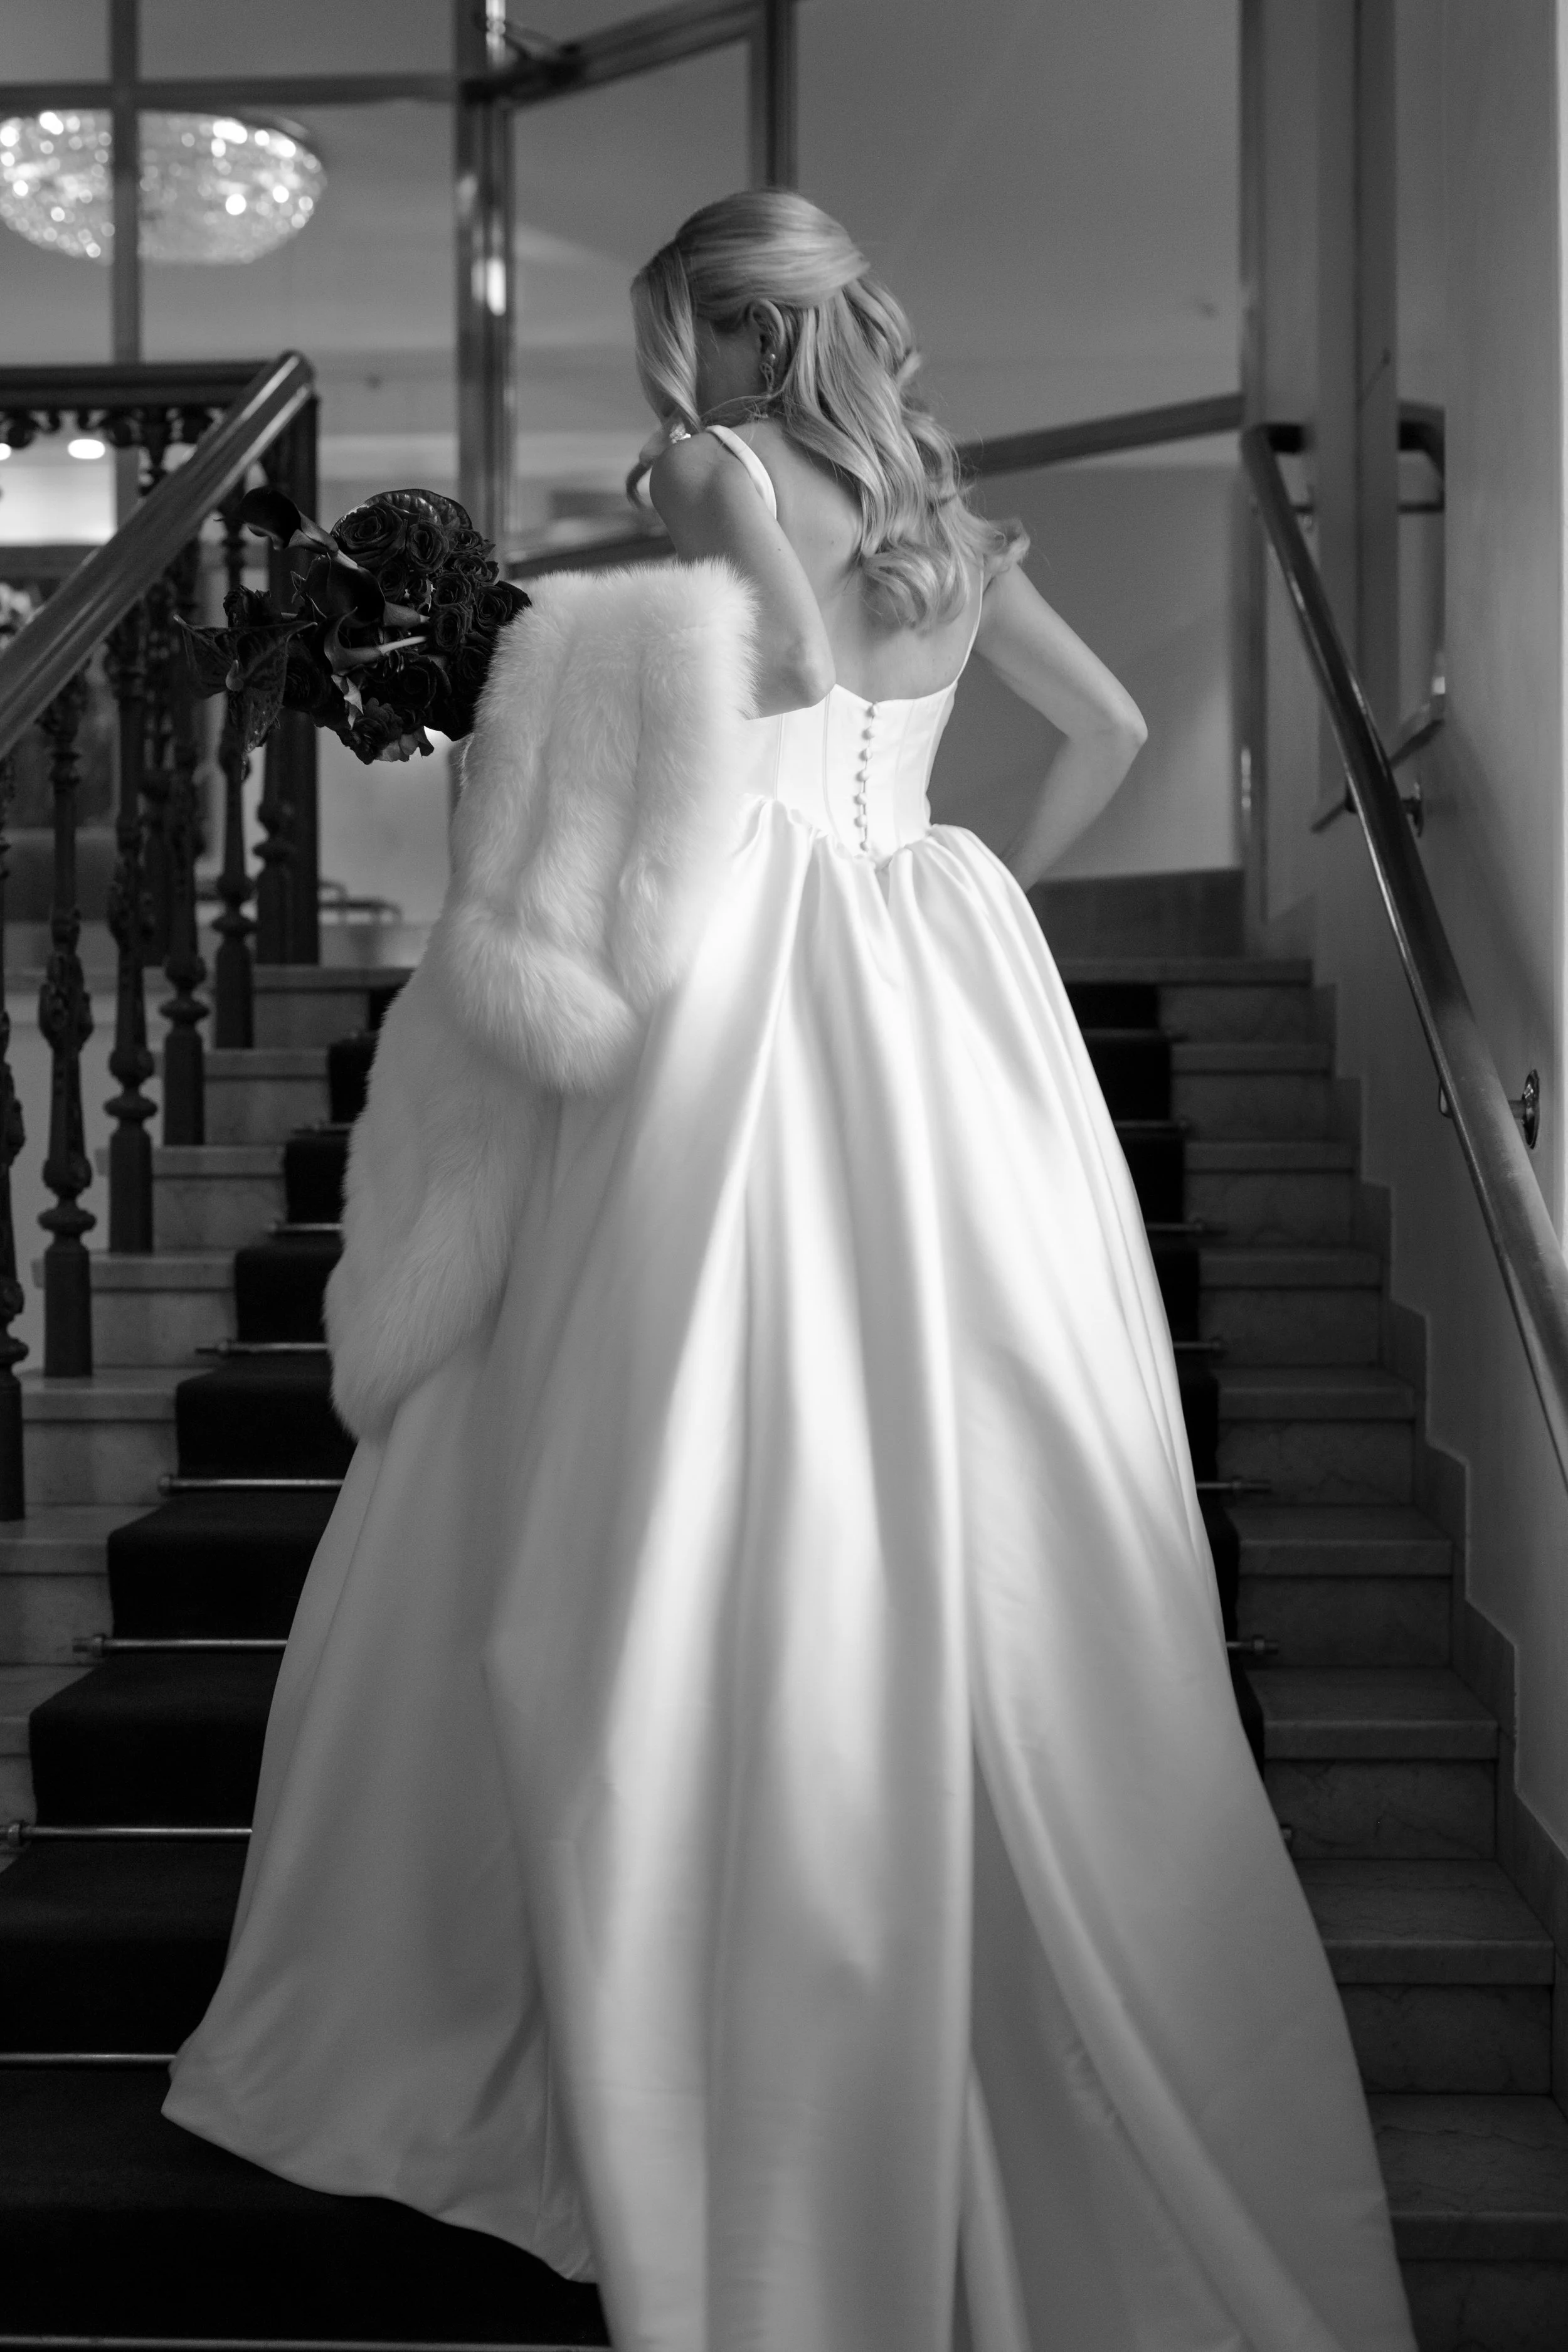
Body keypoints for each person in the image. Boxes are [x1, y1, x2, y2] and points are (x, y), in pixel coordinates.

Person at [167, 191, 1416, 2352]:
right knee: (955, 1395)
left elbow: (739, 694)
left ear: (719, 336)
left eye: (679, 339)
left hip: (745, 966)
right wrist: (950, 873)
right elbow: (1105, 727)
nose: (675, 381)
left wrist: (529, 655)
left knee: (645, 1387)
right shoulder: (950, 511)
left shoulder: (717, 470)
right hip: (932, 971)